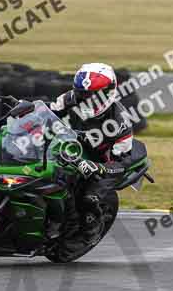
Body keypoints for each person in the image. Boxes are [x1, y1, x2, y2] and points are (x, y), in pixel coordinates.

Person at [47, 63, 135, 244]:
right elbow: (48, 113)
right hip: (71, 148)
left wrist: (98, 167)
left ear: (108, 93)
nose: (86, 99)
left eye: (92, 95)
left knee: (88, 198)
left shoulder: (120, 122)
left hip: (103, 161)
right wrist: (25, 109)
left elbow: (123, 163)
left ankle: (91, 228)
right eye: (82, 94)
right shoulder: (69, 99)